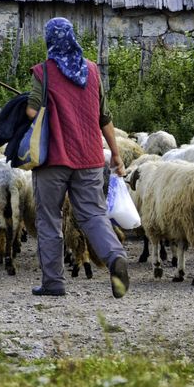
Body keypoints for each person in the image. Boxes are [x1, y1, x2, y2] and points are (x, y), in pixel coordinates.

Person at [27, 17, 129, 299]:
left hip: (54, 159)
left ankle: (53, 283)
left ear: (49, 41)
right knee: (94, 214)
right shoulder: (93, 71)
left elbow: (32, 113)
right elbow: (103, 117)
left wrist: (45, 109)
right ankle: (114, 257)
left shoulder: (44, 72)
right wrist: (116, 153)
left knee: (49, 218)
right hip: (90, 157)